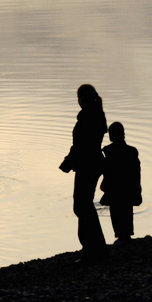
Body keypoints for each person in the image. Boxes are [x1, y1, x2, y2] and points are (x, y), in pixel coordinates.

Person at [59, 84, 109, 262]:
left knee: (82, 206)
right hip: (92, 164)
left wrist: (68, 162)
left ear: (82, 99)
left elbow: (81, 145)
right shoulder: (97, 114)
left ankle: (92, 249)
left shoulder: (88, 117)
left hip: (87, 165)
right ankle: (94, 248)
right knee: (84, 205)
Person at [100, 121, 142, 244]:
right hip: (128, 186)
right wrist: (137, 187)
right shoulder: (132, 151)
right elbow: (136, 172)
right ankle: (127, 235)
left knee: (116, 212)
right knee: (127, 210)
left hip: (114, 188)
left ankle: (120, 235)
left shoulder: (108, 151)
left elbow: (106, 170)